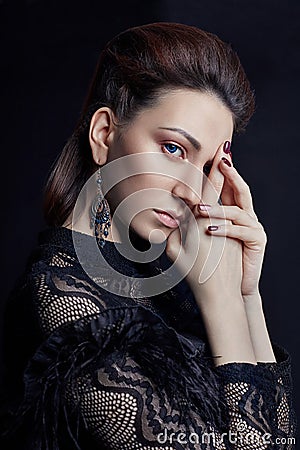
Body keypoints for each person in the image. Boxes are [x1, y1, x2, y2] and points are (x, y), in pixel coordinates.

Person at [0, 22, 296, 449]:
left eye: (209, 166)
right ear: (105, 134)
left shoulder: (170, 280)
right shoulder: (62, 301)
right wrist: (224, 303)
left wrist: (247, 295)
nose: (191, 191)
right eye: (174, 149)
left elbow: (278, 440)